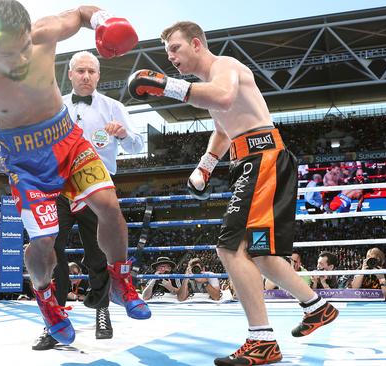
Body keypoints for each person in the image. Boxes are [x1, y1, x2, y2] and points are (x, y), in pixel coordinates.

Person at [0, 0, 149, 346]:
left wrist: (104, 20)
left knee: (110, 207)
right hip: (26, 164)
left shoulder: (43, 34)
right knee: (45, 242)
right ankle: (46, 299)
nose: (21, 59)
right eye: (10, 54)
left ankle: (121, 279)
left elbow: (80, 13)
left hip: (69, 141)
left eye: (23, 47)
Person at [128, 21, 338, 365]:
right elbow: (223, 130)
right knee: (261, 255)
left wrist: (167, 86)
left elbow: (223, 97)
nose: (170, 58)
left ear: (196, 44)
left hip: (263, 158)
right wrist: (205, 167)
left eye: (175, 48)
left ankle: (262, 340)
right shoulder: (209, 83)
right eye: (167, 53)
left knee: (229, 247)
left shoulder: (224, 66)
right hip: (252, 160)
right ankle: (317, 306)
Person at [33, 50, 145, 350]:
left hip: (97, 187)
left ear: (99, 75)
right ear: (69, 74)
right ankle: (53, 323)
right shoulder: (53, 106)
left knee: (99, 254)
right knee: (50, 250)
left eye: (91, 71)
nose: (86, 76)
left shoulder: (114, 107)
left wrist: (122, 134)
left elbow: (137, 145)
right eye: (80, 71)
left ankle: (102, 308)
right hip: (57, 185)